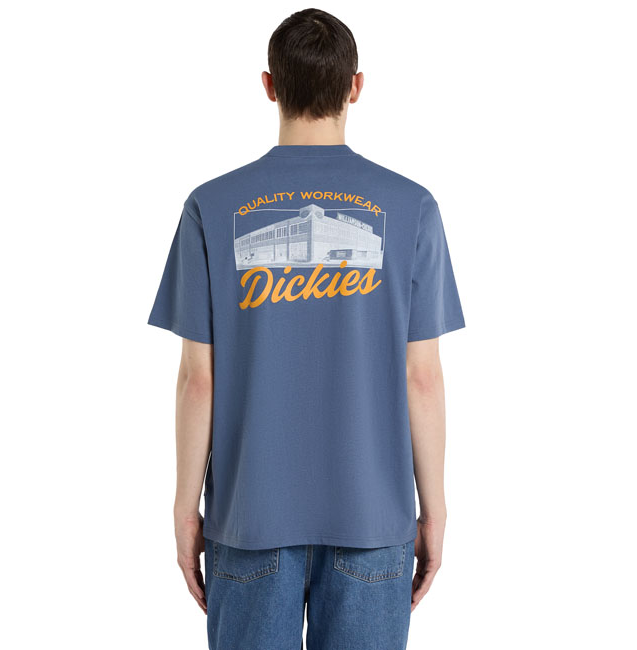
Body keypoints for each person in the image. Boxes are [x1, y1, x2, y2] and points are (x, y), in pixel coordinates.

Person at [148, 8, 465, 650]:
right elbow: (422, 379)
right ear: (356, 86)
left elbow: (198, 381)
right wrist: (434, 509)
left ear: (270, 86)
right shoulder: (413, 207)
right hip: (373, 518)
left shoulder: (211, 206)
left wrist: (185, 507)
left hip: (248, 518)